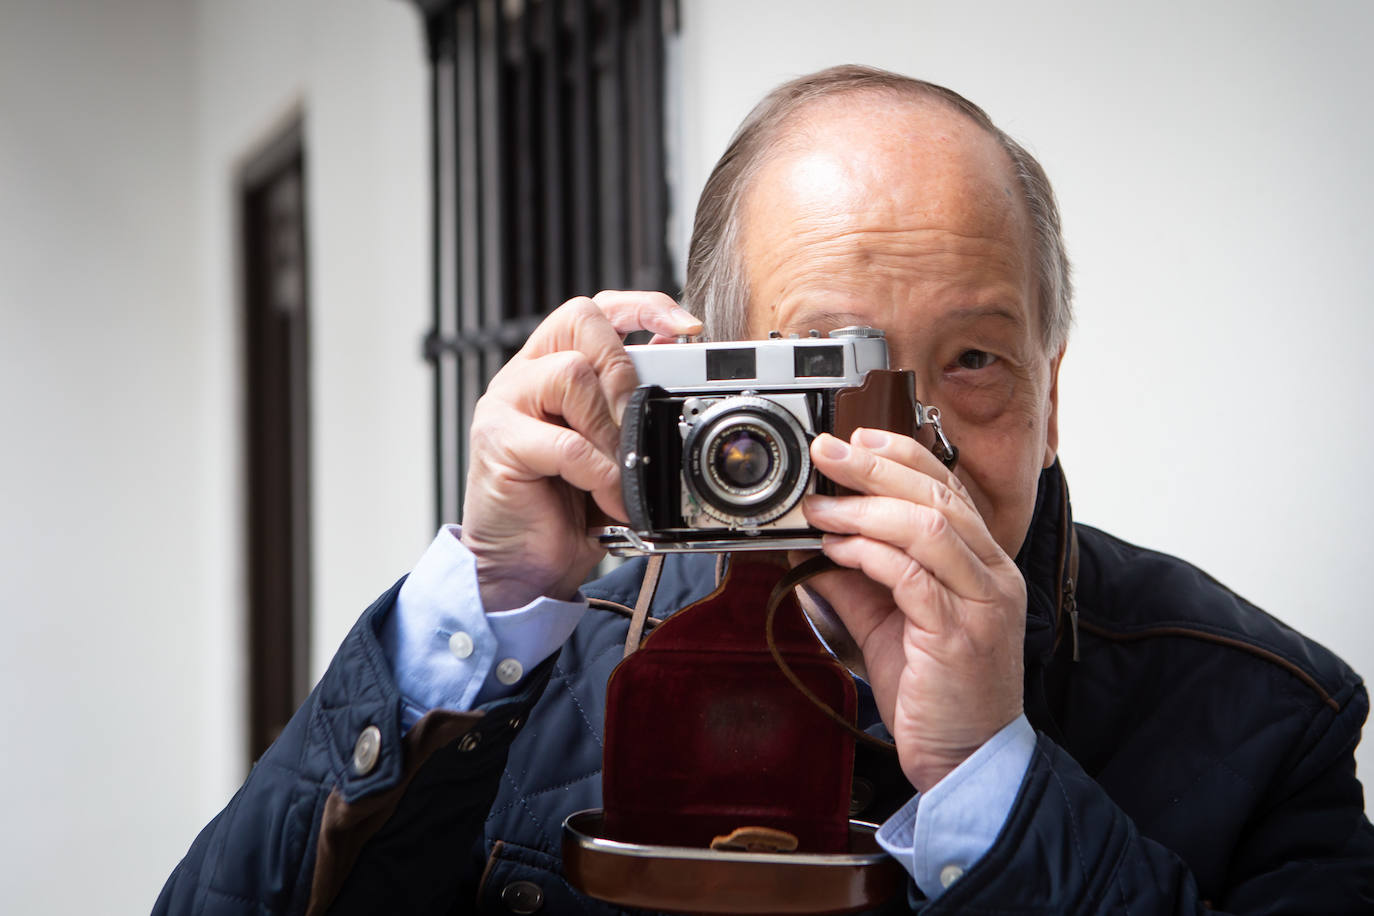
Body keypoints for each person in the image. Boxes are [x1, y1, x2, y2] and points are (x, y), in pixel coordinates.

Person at [155, 66, 1373, 914]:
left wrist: (994, 786)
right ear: (704, 385)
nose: (908, 446)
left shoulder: (1266, 716)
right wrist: (477, 612)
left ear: (1052, 394)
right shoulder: (549, 673)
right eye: (827, 377)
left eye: (975, 362)